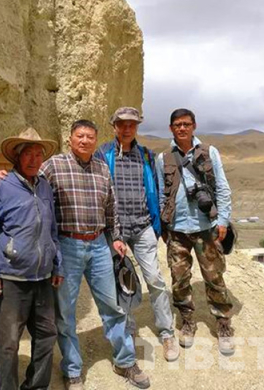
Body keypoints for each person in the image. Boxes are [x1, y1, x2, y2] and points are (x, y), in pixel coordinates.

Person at [0, 120, 150, 390]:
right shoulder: (53, 165)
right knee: (65, 313)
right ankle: (72, 369)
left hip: (99, 244)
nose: (85, 140)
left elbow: (111, 207)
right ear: (70, 139)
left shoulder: (102, 167)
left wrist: (116, 237)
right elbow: (26, 178)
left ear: (96, 140)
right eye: (80, 136)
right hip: (67, 245)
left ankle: (125, 360)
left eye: (90, 136)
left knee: (113, 306)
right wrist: (0, 175)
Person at [0, 127, 64, 390]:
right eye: (28, 153)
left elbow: (52, 231)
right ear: (17, 156)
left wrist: (57, 264)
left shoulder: (46, 187)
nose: (33, 159)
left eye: (38, 154)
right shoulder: (2, 186)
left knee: (46, 336)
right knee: (8, 343)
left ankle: (36, 386)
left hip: (43, 278)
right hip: (12, 278)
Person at [95, 107, 179, 362]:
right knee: (123, 283)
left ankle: (167, 332)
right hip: (116, 231)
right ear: (114, 127)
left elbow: (158, 189)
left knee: (154, 278)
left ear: (137, 127)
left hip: (143, 226)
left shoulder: (146, 156)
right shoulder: (103, 154)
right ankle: (129, 331)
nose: (127, 128)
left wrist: (158, 223)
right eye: (122, 124)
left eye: (132, 124)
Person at [155, 108, 235, 356]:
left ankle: (223, 324)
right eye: (177, 124)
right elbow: (161, 194)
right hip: (177, 228)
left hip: (206, 227)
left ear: (194, 126)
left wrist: (223, 220)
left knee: (214, 276)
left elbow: (222, 187)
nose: (182, 128)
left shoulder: (209, 152)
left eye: (186, 124)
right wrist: (164, 225)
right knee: (179, 278)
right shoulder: (163, 159)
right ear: (171, 128)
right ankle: (187, 322)